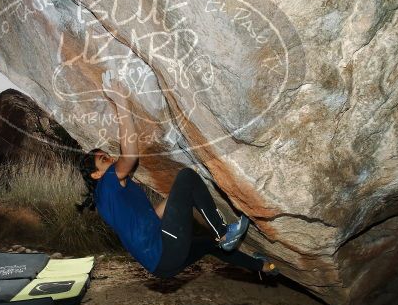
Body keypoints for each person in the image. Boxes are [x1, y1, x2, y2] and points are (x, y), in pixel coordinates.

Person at [77, 80, 279, 280]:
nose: (111, 160)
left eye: (108, 156)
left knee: (208, 244)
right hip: (164, 251)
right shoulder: (106, 185)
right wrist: (121, 102)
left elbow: (153, 216)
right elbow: (129, 156)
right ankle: (224, 232)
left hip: (162, 266)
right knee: (187, 176)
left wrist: (178, 196)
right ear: (96, 175)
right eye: (104, 159)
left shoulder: (113, 197)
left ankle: (263, 266)